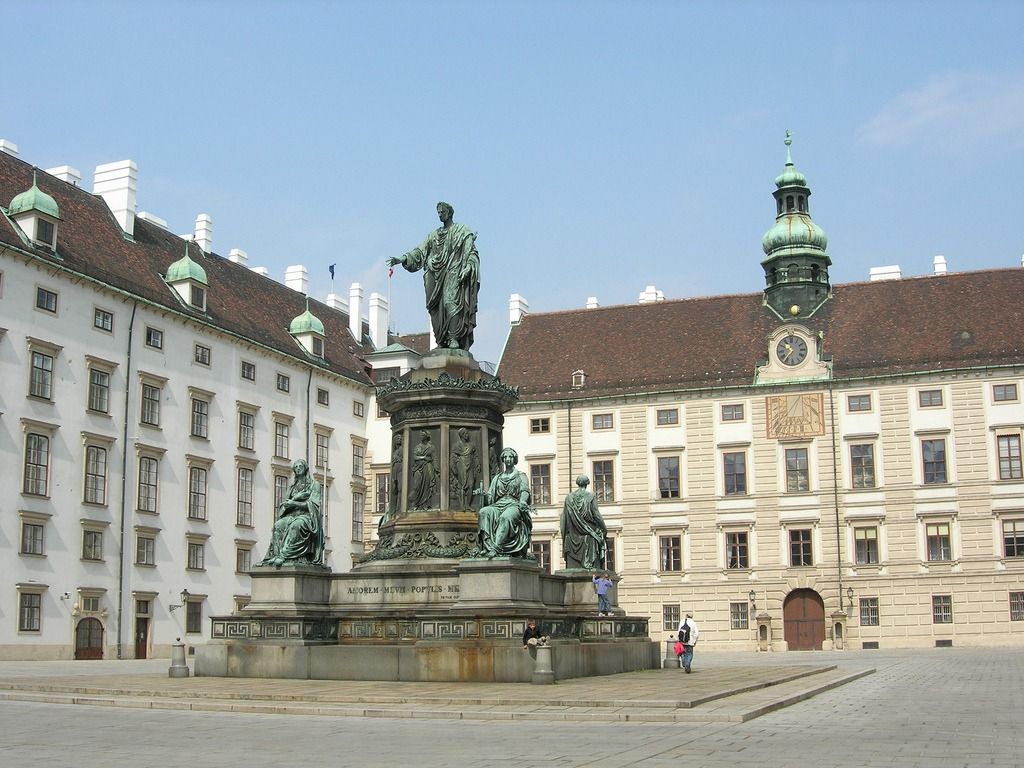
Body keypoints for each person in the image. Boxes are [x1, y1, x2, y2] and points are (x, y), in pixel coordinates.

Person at [387, 201, 480, 352]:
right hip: (435, 277)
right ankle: (442, 339)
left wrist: (468, 267)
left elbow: (471, 253)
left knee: (451, 303)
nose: (439, 215)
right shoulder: (434, 235)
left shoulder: (463, 231)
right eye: (438, 212)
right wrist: (403, 258)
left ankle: (454, 338)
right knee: (435, 309)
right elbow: (420, 252)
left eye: (442, 212)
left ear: (449, 213)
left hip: (454, 273)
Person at [260, 459, 324, 567]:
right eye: (296, 467)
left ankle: (283, 556)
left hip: (307, 517)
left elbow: (313, 505)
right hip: (292, 515)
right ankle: (276, 555)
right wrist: (294, 499)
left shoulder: (314, 485)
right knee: (278, 525)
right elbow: (284, 507)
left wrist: (294, 503)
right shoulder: (291, 488)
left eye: (300, 466)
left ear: (305, 469)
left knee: (296, 526)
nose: (298, 468)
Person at [473, 447, 533, 558]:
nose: (508, 459)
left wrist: (523, 502)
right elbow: (490, 497)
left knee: (506, 517)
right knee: (484, 512)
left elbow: (525, 491)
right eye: (505, 457)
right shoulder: (497, 478)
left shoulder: (521, 476)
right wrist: (483, 494)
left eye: (510, 457)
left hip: (514, 505)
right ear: (503, 460)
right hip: (498, 505)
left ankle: (496, 548)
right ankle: (488, 547)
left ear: (514, 459)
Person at [561, 475, 607, 570]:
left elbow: (564, 518)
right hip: (589, 533)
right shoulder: (590, 496)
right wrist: (604, 528)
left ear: (578, 484)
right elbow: (596, 515)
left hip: (572, 535)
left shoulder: (569, 498)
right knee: (597, 535)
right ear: (587, 484)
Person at [449, 427, 480, 510]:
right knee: (462, 485)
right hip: (461, 465)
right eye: (465, 433)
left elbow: (476, 456)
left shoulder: (471, 445)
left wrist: (477, 464)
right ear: (461, 435)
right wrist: (453, 467)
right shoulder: (456, 446)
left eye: (467, 433)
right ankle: (462, 505)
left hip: (471, 466)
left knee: (471, 485)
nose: (467, 435)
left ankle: (468, 505)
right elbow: (452, 457)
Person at [409, 430, 437, 510]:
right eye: (420, 435)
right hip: (418, 468)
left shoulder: (431, 447)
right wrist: (424, 457)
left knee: (427, 486)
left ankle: (425, 504)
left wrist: (436, 469)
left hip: (427, 467)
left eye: (422, 435)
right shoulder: (417, 447)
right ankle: (415, 503)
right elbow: (415, 457)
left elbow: (434, 458)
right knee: (417, 486)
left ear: (426, 436)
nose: (421, 436)